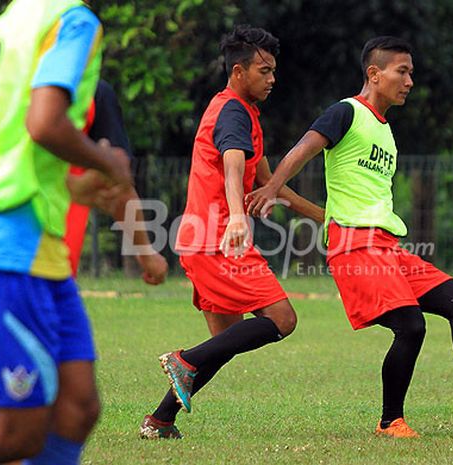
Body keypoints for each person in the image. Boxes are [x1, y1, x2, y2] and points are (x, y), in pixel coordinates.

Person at [245, 36, 453, 438]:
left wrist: (322, 214)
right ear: (374, 73)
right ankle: (391, 421)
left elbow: (356, 194)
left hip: (387, 246)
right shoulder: (346, 112)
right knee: (411, 325)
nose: (409, 82)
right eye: (401, 72)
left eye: (411, 73)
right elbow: (304, 148)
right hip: (355, 248)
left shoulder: (385, 131)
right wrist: (272, 187)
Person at [0, 1, 134, 464]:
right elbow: (44, 124)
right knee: (17, 433)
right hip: (3, 244)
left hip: (34, 245)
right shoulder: (71, 21)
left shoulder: (10, 22)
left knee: (77, 408)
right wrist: (107, 162)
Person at [0, 78, 168, 437]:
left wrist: (144, 251)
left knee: (77, 406)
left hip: (55, 269)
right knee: (17, 419)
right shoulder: (2, 85)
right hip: (9, 263)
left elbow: (116, 183)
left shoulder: (91, 92)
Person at [139, 25, 324, 440]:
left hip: (201, 239)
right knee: (281, 318)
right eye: (264, 70)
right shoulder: (233, 111)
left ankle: (160, 421)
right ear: (238, 72)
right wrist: (239, 216)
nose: (272, 78)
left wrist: (326, 220)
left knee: (223, 344)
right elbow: (233, 162)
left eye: (274, 70)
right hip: (217, 237)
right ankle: (183, 360)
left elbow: (271, 185)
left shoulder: (244, 114)